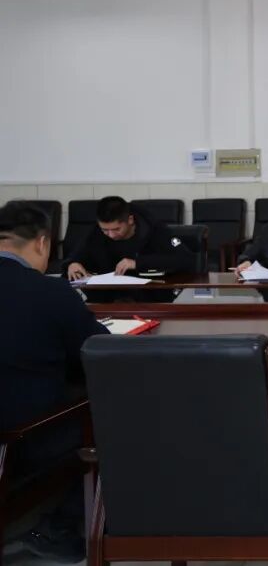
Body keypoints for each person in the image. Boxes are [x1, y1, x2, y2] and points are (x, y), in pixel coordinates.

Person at [0, 201, 108, 562]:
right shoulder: (50, 293)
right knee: (119, 419)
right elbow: (98, 353)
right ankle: (56, 528)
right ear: (43, 242)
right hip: (23, 436)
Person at [63, 196, 196, 304]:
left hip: (148, 298)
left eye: (116, 229)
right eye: (105, 230)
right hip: (108, 298)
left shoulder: (154, 230)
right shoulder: (97, 232)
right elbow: (76, 254)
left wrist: (138, 262)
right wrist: (72, 263)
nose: (111, 235)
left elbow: (186, 259)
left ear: (130, 220)